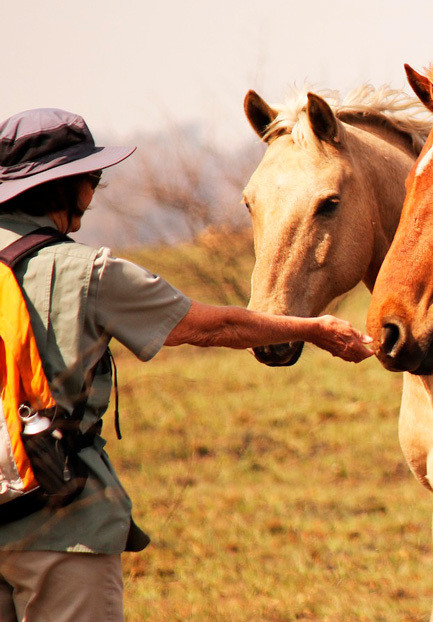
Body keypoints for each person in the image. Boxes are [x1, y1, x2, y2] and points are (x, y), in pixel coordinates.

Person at [0, 108, 374, 621]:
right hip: (63, 525)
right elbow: (208, 326)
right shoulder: (87, 272)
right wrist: (314, 329)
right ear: (61, 188)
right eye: (91, 178)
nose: (94, 190)